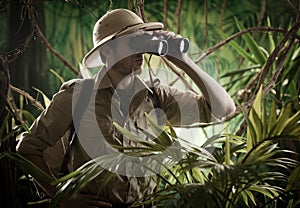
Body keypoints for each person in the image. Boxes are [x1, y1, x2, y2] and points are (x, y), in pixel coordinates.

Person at [16, 8, 236, 208]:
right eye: (132, 43)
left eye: (141, 42)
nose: (139, 52)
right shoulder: (78, 95)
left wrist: (183, 60)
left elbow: (224, 109)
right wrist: (61, 197)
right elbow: (28, 148)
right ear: (106, 53)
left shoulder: (157, 98)